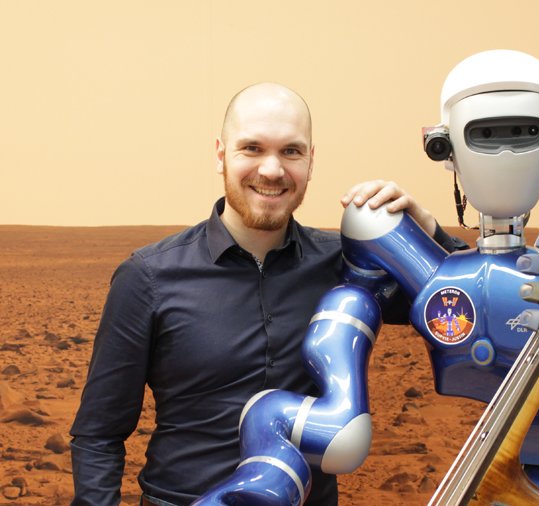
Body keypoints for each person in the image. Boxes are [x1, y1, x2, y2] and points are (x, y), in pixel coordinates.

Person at [69, 82, 463, 506]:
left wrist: (431, 235)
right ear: (221, 154)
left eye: (291, 151)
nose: (272, 170)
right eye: (252, 148)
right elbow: (99, 434)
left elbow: (466, 312)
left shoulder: (348, 267)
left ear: (311, 161)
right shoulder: (147, 277)